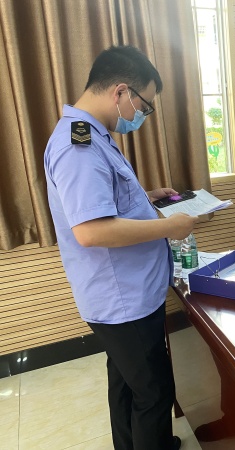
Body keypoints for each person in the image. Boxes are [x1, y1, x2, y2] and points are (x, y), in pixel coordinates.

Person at [44, 46, 198, 450]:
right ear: (121, 91)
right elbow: (91, 231)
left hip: (126, 295)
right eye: (144, 106)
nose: (142, 116)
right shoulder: (78, 145)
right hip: (123, 300)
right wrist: (170, 227)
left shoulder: (93, 134)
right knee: (154, 393)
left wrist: (147, 197)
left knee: (127, 383)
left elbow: (103, 202)